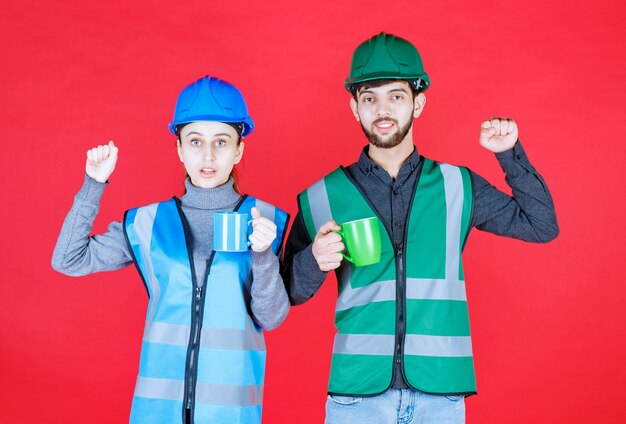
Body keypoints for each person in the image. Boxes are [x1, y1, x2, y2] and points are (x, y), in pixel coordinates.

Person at [281, 33, 559, 424]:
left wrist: (509, 154)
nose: (382, 110)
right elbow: (286, 293)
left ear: (418, 102)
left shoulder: (458, 186)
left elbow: (541, 225)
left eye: (395, 96)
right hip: (355, 398)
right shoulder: (319, 197)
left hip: (440, 396)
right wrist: (313, 260)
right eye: (369, 98)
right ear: (354, 107)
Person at [52, 75, 290, 424]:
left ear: (239, 148)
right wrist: (93, 185)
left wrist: (263, 255)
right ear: (179, 148)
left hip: (230, 413)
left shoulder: (267, 220)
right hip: (156, 410)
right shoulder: (147, 224)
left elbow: (272, 317)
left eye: (221, 142)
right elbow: (68, 260)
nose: (208, 155)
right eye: (195, 142)